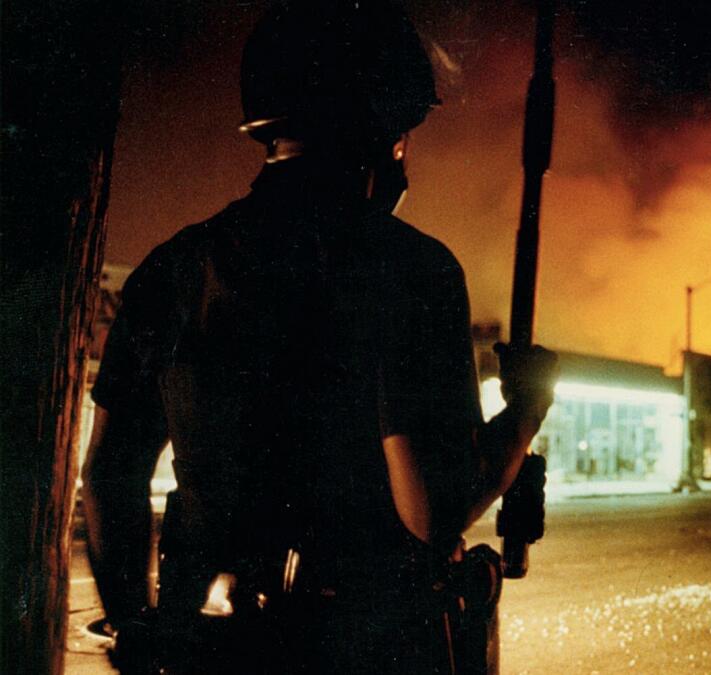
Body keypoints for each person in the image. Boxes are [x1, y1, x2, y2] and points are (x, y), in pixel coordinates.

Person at [80, 1, 556, 672]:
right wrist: (529, 407)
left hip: (208, 646)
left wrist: (135, 628)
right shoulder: (412, 268)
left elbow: (108, 472)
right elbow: (432, 508)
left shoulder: (174, 269)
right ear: (382, 121)